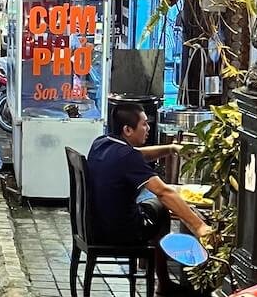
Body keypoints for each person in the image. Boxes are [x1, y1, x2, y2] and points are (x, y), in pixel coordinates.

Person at [86, 101, 212, 256]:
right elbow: (163, 192)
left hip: (96, 225)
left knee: (150, 201)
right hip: (120, 232)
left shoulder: (101, 142)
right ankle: (162, 274)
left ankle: (154, 266)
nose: (148, 128)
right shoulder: (127, 156)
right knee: (162, 204)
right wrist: (199, 227)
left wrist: (171, 149)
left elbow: (139, 154)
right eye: (144, 124)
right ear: (128, 130)